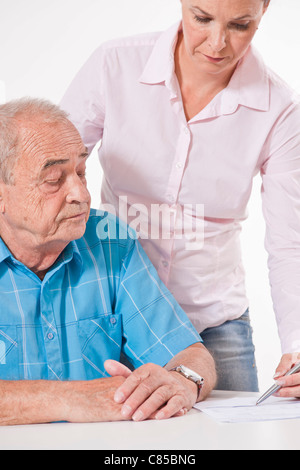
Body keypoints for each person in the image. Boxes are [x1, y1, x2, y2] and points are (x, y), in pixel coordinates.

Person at [61, 0, 300, 396]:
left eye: (240, 25)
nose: (217, 43)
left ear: (265, 9)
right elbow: (49, 171)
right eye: (202, 19)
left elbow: (290, 241)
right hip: (112, 316)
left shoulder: (279, 108)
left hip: (215, 325)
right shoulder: (115, 65)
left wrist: (296, 344)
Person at [0, 97, 216, 426]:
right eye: (54, 180)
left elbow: (190, 354)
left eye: (81, 172)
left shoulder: (110, 240)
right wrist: (68, 400)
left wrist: (182, 381)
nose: (81, 194)